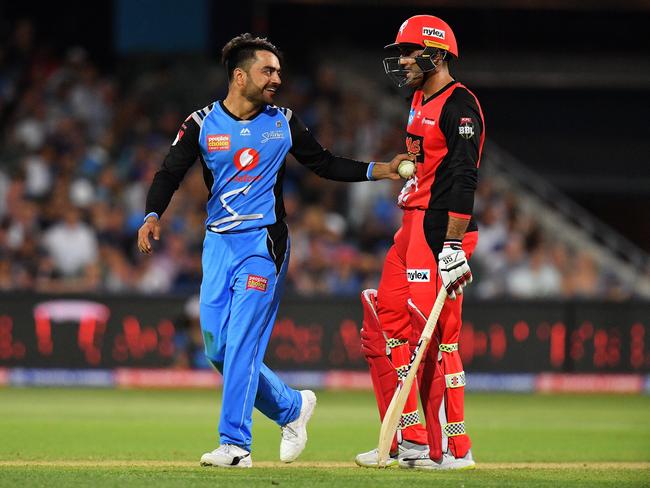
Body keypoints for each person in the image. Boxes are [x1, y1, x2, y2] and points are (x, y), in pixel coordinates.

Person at [137, 33, 412, 468]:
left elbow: (325, 163)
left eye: (279, 72)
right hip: (217, 246)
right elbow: (169, 172)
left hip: (263, 244)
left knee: (243, 341)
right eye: (268, 71)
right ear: (239, 75)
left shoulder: (283, 121)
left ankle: (235, 445)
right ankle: (291, 408)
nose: (277, 79)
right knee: (217, 350)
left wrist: (385, 169)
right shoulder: (202, 123)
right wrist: (152, 215)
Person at [355, 15, 485, 470]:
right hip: (411, 223)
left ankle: (452, 449)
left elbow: (465, 178)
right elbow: (423, 160)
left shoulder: (460, 105)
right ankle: (408, 441)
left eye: (411, 51)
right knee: (389, 322)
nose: (403, 60)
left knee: (438, 339)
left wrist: (452, 246)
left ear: (439, 55)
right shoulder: (417, 98)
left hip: (438, 230)